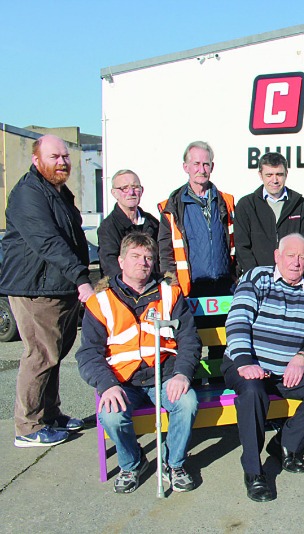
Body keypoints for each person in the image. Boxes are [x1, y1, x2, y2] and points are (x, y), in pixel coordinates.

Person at [76, 232, 201, 494]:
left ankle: (173, 464)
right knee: (110, 415)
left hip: (164, 375)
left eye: (148, 257)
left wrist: (182, 375)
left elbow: (189, 340)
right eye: (135, 256)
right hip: (122, 381)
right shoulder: (101, 302)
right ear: (121, 261)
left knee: (187, 402)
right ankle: (133, 463)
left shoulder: (170, 294)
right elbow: (88, 354)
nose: (142, 262)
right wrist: (107, 385)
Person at [223, 234, 304, 503]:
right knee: (253, 393)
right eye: (291, 256)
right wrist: (245, 362)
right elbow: (238, 321)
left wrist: (302, 356)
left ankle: (285, 442)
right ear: (277, 256)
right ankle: (253, 471)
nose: (297, 263)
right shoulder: (257, 279)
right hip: (246, 364)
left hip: (286, 369)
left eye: (303, 257)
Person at [1, 134, 92, 447]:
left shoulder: (58, 191)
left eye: (65, 156)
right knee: (40, 356)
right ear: (36, 159)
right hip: (35, 289)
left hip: (58, 287)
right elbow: (48, 242)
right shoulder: (29, 193)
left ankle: (49, 415)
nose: (62, 162)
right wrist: (82, 278)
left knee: (53, 355)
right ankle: (28, 427)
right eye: (54, 157)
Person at [158, 140, 236, 297]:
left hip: (225, 286)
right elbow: (165, 252)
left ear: (212, 167)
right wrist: (172, 285)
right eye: (196, 164)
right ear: (185, 167)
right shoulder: (171, 207)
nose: (202, 169)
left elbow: (237, 243)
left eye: (206, 164)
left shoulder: (226, 202)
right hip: (189, 288)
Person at [235, 152, 304, 274]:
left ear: (286, 174)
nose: (275, 180)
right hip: (258, 279)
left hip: (290, 278)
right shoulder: (246, 205)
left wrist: (293, 273)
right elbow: (242, 246)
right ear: (260, 175)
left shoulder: (300, 204)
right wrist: (256, 274)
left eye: (279, 174)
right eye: (269, 175)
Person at [97, 169, 160, 278]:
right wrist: (127, 288)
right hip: (123, 289)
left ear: (142, 191)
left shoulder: (153, 223)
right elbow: (109, 264)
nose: (131, 193)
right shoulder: (108, 227)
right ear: (114, 193)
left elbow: (161, 258)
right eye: (124, 188)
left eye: (135, 187)